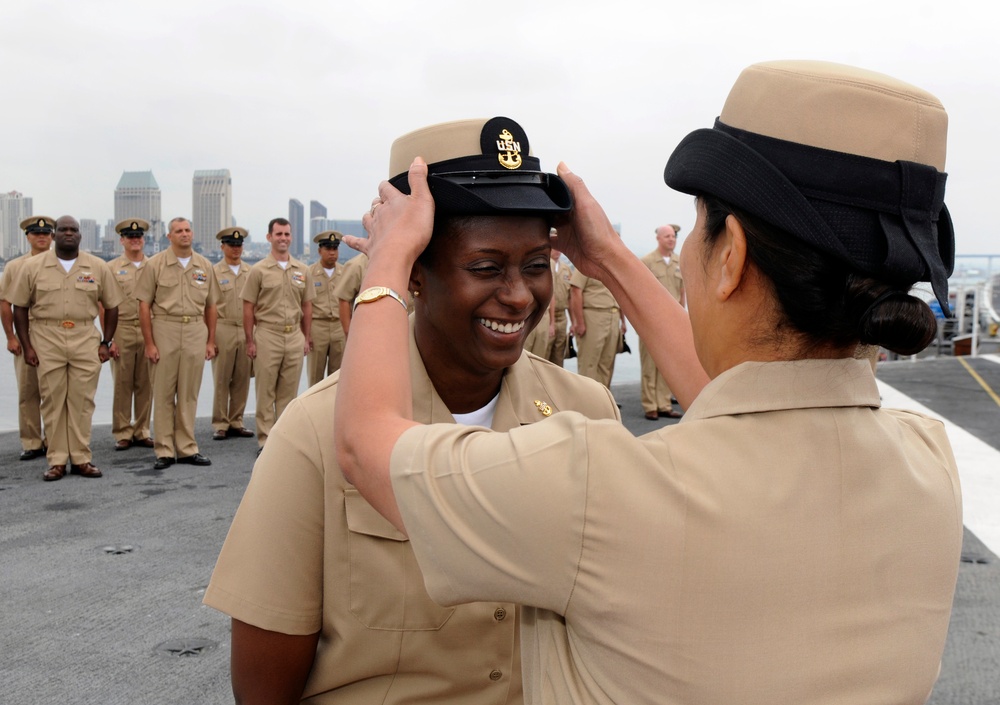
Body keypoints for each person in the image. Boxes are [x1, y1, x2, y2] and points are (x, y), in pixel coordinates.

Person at [336, 61, 962, 705]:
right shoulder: (929, 463)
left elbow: (365, 441)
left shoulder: (595, 489)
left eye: (696, 226)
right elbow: (747, 400)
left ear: (732, 256)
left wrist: (389, 261)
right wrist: (606, 255)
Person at [203, 116, 622, 705]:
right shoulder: (318, 429)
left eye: (536, 265)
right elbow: (264, 683)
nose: (520, 294)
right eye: (485, 268)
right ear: (414, 274)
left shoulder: (586, 411)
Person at [10, 215, 121, 481]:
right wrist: (27, 346)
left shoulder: (97, 266)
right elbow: (20, 308)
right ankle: (57, 460)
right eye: (62, 230)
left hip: (84, 336)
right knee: (52, 400)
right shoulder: (33, 266)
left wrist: (106, 342)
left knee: (82, 401)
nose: (68, 233)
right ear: (54, 235)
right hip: (47, 337)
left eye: (73, 230)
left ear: (80, 235)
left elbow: (113, 305)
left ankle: (82, 458)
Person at [136, 217, 218, 470]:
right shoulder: (155, 264)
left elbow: (211, 306)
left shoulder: (204, 265)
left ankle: (187, 447)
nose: (184, 234)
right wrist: (149, 344)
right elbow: (144, 305)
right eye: (178, 231)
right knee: (162, 392)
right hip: (165, 328)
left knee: (189, 393)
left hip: (195, 329)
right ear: (169, 236)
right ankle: (164, 449)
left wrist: (210, 340)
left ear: (192, 234)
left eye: (187, 230)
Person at [242, 217, 314, 453]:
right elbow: (248, 307)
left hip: (293, 335)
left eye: (286, 234)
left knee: (289, 393)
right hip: (267, 334)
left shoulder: (302, 270)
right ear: (269, 237)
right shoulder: (258, 270)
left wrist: (306, 337)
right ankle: (265, 440)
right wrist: (250, 341)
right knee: (265, 390)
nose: (283, 238)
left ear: (291, 237)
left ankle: (283, 440)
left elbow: (307, 307)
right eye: (278, 234)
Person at [1, 216, 53, 461]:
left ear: (52, 236)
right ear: (27, 236)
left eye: (45, 233)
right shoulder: (14, 266)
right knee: (28, 390)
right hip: (27, 331)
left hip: (54, 333)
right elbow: (5, 303)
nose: (41, 237)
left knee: (55, 391)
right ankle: (32, 442)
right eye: (35, 233)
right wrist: (11, 337)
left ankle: (55, 440)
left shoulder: (64, 263)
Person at [107, 218, 155, 450]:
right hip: (123, 328)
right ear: (122, 240)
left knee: (146, 383)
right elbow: (105, 305)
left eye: (139, 237)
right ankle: (123, 432)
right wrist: (109, 338)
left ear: (144, 240)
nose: (135, 240)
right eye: (130, 237)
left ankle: (143, 430)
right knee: (122, 384)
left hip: (149, 330)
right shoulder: (112, 268)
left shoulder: (155, 266)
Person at [210, 226, 254, 441]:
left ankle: (237, 420)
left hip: (245, 328)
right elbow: (206, 306)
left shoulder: (251, 272)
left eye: (239, 245)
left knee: (242, 377)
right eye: (231, 245)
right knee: (221, 378)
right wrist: (209, 337)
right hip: (223, 326)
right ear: (222, 247)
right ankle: (220, 422)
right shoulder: (213, 272)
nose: (236, 249)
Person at [639, 224, 685, 419]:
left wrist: (682, 315)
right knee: (650, 364)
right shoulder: (647, 261)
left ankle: (664, 404)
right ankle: (650, 405)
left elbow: (682, 291)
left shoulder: (678, 262)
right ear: (658, 238)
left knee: (668, 364)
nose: (671, 239)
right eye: (667, 236)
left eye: (673, 236)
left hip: (672, 320)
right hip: (651, 320)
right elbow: (639, 291)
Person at [568, 263, 625, 388]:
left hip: (613, 316)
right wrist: (580, 322)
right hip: (593, 316)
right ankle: (587, 404)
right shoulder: (586, 264)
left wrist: (623, 322)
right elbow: (576, 291)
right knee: (589, 363)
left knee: (607, 364)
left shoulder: (613, 267)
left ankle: (603, 402)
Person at [306, 229, 345, 386]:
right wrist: (306, 334)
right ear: (319, 250)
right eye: (328, 249)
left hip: (339, 326)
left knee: (338, 377)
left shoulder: (346, 272)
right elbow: (305, 303)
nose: (332, 253)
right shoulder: (309, 273)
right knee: (315, 376)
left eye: (334, 248)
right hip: (318, 327)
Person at [544, 244, 572, 367]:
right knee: (543, 354)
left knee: (559, 356)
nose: (558, 251)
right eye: (555, 248)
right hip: (548, 316)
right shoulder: (545, 266)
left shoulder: (566, 269)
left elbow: (571, 296)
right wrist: (551, 322)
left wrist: (574, 322)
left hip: (562, 316)